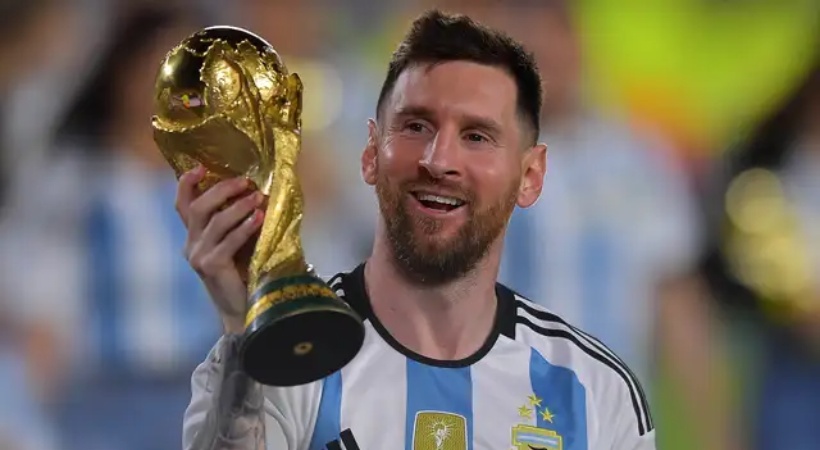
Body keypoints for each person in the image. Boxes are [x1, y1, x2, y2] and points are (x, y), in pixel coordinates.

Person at [181, 10, 654, 450]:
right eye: (416, 127)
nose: (439, 160)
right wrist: (243, 327)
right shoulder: (290, 358)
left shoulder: (594, 393)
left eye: (476, 136)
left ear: (529, 176)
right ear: (371, 153)